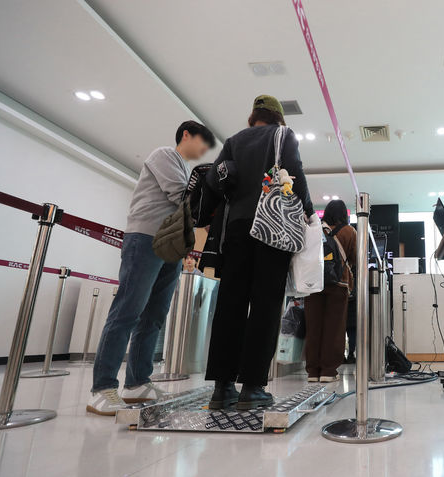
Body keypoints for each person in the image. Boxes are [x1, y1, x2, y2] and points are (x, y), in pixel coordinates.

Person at [88, 121, 215, 415]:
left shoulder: (185, 169)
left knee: (154, 316)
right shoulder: (164, 156)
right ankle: (102, 387)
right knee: (127, 311)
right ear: (186, 134)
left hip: (172, 246)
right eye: (202, 141)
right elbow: (182, 197)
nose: (203, 149)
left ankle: (137, 384)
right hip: (145, 238)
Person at [200, 95, 314, 410]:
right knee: (264, 304)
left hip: (236, 229)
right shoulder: (283, 136)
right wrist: (309, 212)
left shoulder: (233, 141)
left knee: (230, 303)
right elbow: (295, 173)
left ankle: (222, 389)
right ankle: (252, 388)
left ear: (253, 116)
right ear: (279, 117)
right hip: (271, 228)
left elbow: (213, 181)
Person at [304, 200, 357, 382]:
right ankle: (328, 371)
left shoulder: (315, 229)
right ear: (344, 214)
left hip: (314, 283)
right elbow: (355, 259)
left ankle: (312, 371)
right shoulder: (349, 231)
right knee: (334, 328)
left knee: (313, 327)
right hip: (339, 284)